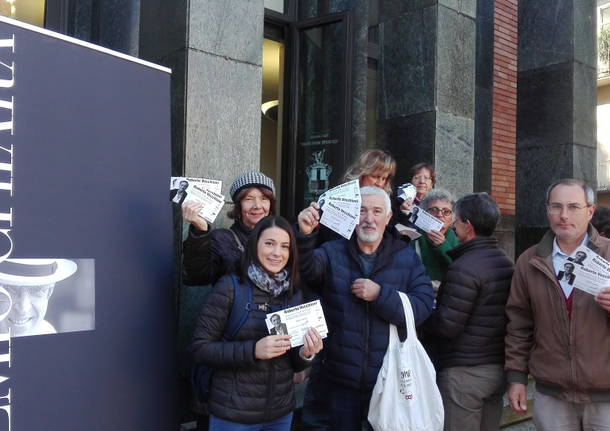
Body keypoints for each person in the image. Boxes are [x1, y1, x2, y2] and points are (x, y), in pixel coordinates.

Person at [297, 186, 434, 430]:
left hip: (389, 381)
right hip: (339, 382)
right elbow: (306, 272)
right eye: (361, 211)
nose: (368, 218)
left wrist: (381, 295)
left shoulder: (406, 258)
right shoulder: (331, 252)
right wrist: (305, 236)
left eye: (376, 211)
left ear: (388, 217)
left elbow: (423, 307)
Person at [190, 215, 323, 430]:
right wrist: (253, 350)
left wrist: (307, 353)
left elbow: (295, 362)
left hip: (279, 414)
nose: (277, 253)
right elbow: (199, 349)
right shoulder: (230, 287)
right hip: (233, 414)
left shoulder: (292, 291)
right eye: (269, 243)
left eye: (285, 246)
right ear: (254, 245)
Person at [505, 178, 610, 431]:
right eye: (556, 206)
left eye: (574, 207)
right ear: (547, 210)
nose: (564, 215)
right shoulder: (529, 261)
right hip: (552, 396)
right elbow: (519, 325)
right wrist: (517, 378)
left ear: (590, 211)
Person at [427, 193, 514, 431]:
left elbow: (447, 326)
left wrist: (424, 310)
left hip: (464, 373)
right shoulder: (506, 262)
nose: (452, 225)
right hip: (497, 369)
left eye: (455, 219)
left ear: (468, 225)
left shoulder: (463, 267)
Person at [182, 172, 276, 286]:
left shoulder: (283, 237)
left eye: (264, 198)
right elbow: (196, 277)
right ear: (238, 206)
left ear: (271, 204)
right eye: (249, 199)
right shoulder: (221, 239)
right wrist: (200, 230)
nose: (257, 205)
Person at [0, 258, 77, 337]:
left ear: (49, 293)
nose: (23, 309)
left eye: (36, 291)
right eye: (10, 289)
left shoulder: (47, 332)